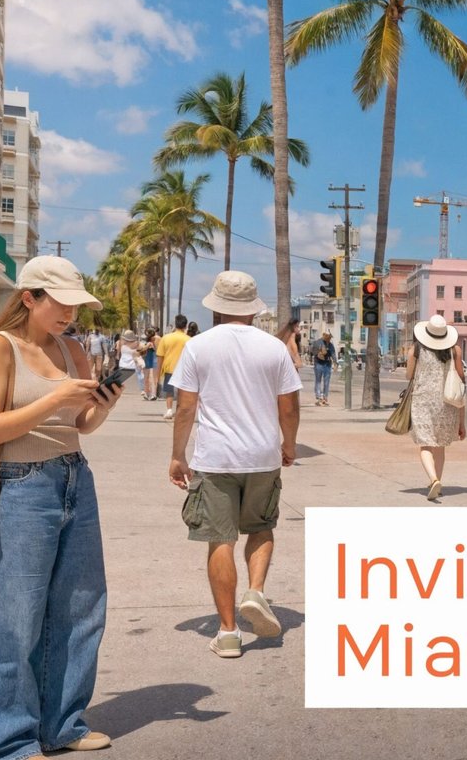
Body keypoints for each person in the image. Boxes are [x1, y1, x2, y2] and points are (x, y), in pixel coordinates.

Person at [0, 255, 122, 759]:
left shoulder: (70, 346)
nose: (71, 314)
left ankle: (62, 725)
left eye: (77, 305)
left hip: (75, 476)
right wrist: (54, 400)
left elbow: (81, 424)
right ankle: (9, 742)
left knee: (80, 608)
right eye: (62, 303)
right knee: (13, 618)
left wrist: (105, 402)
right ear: (29, 297)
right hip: (19, 484)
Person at [167, 271, 301, 660]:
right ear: (253, 308)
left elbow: (186, 407)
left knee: (220, 538)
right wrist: (287, 444)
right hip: (262, 455)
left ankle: (228, 632)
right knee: (261, 527)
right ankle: (255, 592)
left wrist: (178, 455)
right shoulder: (274, 348)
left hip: (216, 458)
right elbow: (289, 407)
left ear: (217, 305)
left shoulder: (198, 347)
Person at [405, 316, 466, 501]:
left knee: (425, 444)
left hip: (422, 400)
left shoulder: (415, 349)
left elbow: (409, 375)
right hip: (447, 402)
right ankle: (438, 483)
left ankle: (432, 479)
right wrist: (462, 421)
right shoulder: (455, 350)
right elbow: (461, 379)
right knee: (440, 446)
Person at [157, 315, 190, 420]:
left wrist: (158, 373)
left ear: (175, 324)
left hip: (169, 367)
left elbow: (160, 356)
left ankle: (169, 410)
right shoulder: (189, 339)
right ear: (185, 326)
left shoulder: (166, 338)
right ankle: (179, 411)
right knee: (181, 392)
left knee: (169, 391)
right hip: (184, 369)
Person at [310, 332, 335, 406]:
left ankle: (325, 397)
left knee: (326, 382)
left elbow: (333, 353)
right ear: (324, 336)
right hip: (318, 364)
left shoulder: (330, 345)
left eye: (330, 337)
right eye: (328, 336)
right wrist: (318, 353)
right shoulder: (317, 342)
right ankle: (319, 397)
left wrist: (335, 362)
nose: (329, 338)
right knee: (318, 381)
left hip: (327, 364)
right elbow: (312, 350)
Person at [117, 330, 143, 396]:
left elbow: (118, 350)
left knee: (122, 379)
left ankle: (120, 390)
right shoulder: (136, 344)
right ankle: (141, 390)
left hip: (122, 364)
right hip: (132, 366)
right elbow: (139, 352)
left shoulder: (122, 344)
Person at [141, 328, 160, 401]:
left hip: (151, 361)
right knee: (150, 378)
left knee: (149, 378)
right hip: (151, 361)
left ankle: (151, 394)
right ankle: (150, 394)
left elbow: (143, 349)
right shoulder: (149, 342)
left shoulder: (151, 342)